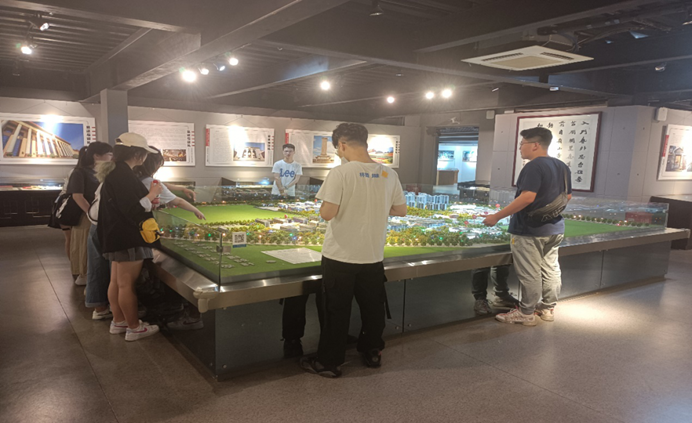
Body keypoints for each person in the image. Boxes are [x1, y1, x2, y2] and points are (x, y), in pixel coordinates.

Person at [300, 123, 406, 378]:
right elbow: (400, 210)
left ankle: (329, 362)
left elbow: (327, 213)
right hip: (373, 256)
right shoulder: (389, 174)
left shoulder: (340, 173)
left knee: (336, 310)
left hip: (340, 256)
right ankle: (372, 352)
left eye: (337, 149)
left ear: (343, 145)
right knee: (373, 308)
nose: (338, 153)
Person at [483, 127, 572, 326]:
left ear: (535, 145)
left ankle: (526, 312)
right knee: (551, 268)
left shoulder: (533, 167)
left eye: (522, 144)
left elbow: (527, 197)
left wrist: (496, 216)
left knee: (529, 272)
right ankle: (547, 308)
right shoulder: (561, 166)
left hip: (530, 229)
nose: (520, 148)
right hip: (554, 228)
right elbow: (567, 196)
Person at [97, 133, 163, 341]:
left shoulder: (116, 172)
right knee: (126, 284)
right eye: (144, 153)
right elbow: (132, 209)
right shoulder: (124, 175)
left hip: (115, 235)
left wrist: (148, 200)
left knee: (116, 281)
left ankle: (119, 321)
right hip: (127, 236)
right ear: (137, 153)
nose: (145, 157)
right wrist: (152, 194)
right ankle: (134, 327)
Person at [133, 147, 206, 330]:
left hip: (134, 232)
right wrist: (196, 210)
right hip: (146, 231)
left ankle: (163, 303)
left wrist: (179, 188)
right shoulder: (150, 182)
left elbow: (161, 186)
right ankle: (175, 306)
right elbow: (177, 201)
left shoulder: (132, 178)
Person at [65, 143, 112, 286]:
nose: (111, 157)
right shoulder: (80, 173)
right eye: (109, 154)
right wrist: (91, 214)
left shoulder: (101, 172)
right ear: (96, 156)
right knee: (85, 246)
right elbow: (77, 196)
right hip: (86, 216)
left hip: (97, 215)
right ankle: (84, 275)